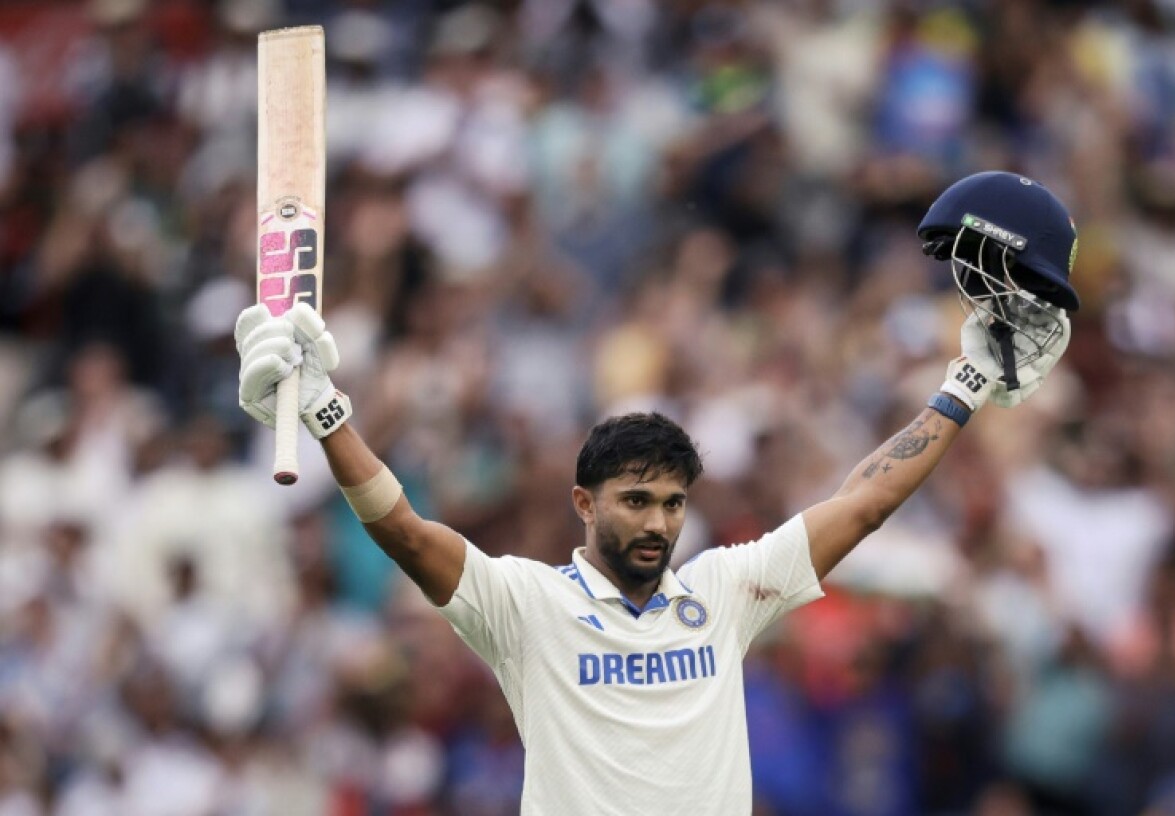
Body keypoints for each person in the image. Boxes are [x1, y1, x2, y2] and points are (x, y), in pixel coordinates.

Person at [233, 171, 1078, 814]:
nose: (659, 523)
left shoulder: (722, 590)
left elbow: (861, 503)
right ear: (584, 504)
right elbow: (408, 535)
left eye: (672, 504)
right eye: (636, 501)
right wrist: (327, 413)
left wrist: (963, 387)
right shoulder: (526, 604)